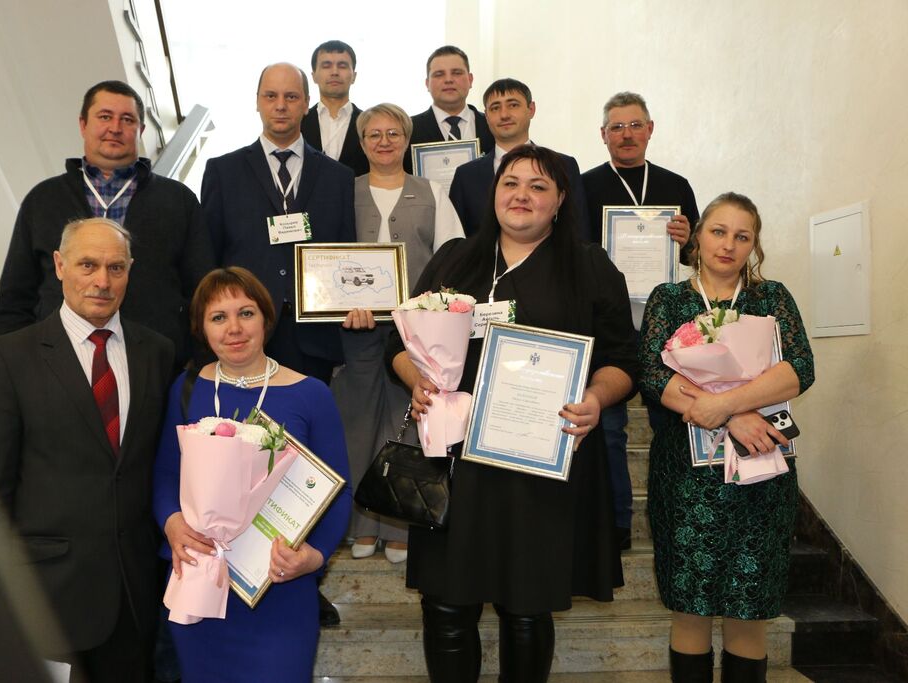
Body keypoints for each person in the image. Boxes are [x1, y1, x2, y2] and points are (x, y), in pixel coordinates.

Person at [388, 145, 637, 682]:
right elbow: (400, 344)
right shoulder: (455, 259)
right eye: (511, 183)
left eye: (538, 186)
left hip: (539, 463)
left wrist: (595, 399)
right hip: (457, 458)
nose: (522, 195)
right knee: (446, 602)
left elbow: (623, 360)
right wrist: (417, 380)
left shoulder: (589, 266)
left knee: (526, 605)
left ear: (561, 199)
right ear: (493, 194)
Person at [0, 218, 175, 682]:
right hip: (45, 601)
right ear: (59, 266)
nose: (103, 281)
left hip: (135, 600)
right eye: (88, 265)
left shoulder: (159, 354)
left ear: (130, 272)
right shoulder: (8, 358)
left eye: (116, 268)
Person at [638, 193, 814, 682]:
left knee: (748, 610)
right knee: (690, 608)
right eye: (718, 231)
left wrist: (727, 405)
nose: (728, 244)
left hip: (761, 475)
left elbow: (799, 369)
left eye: (742, 236)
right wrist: (728, 416)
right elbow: (653, 375)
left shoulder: (772, 297)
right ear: (697, 236)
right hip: (686, 477)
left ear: (753, 246)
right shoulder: (669, 299)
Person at [153, 267, 352, 682]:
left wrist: (313, 557)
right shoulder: (185, 388)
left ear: (266, 318)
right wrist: (172, 523)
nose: (234, 328)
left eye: (246, 313)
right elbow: (166, 475)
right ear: (202, 329)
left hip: (280, 588)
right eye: (218, 317)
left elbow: (339, 492)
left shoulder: (311, 394)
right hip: (202, 585)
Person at [0, 79, 213, 371]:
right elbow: (14, 299)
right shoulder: (43, 199)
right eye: (105, 117)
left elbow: (204, 293)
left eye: (127, 120)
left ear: (141, 131)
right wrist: (16, 369)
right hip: (57, 367)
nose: (115, 128)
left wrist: (198, 368)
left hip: (157, 369)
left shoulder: (178, 200)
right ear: (83, 125)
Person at [332, 103, 464, 564]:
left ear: (407, 140)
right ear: (361, 142)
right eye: (374, 134)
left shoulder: (432, 193)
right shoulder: (342, 192)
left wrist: (434, 309)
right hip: (355, 329)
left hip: (418, 334)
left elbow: (451, 256)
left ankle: (401, 525)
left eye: (393, 133)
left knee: (408, 420)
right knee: (356, 422)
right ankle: (361, 525)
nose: (384, 141)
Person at [582, 91, 699, 551]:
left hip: (664, 322)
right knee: (610, 428)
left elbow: (695, 257)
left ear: (650, 129)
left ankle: (677, 521)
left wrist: (688, 240)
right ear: (603, 135)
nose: (626, 134)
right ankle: (617, 525)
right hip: (607, 323)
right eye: (617, 127)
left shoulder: (676, 185)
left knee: (672, 426)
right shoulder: (585, 186)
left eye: (634, 125)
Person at [202, 62, 355, 386]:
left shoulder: (338, 177)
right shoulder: (223, 172)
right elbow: (210, 258)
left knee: (306, 419)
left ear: (306, 103)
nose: (281, 105)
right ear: (257, 102)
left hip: (314, 338)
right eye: (271, 96)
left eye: (291, 96)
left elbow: (346, 251)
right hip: (244, 334)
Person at [449, 78, 590, 238]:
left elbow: (579, 232)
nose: (504, 115)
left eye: (513, 105)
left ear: (531, 109)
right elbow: (457, 240)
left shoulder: (564, 166)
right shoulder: (466, 175)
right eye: (495, 108)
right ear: (486, 116)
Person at [403, 45, 495, 172]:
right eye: (439, 74)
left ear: (470, 79)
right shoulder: (407, 129)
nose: (448, 80)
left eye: (456, 73)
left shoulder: (493, 125)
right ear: (427, 84)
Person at [301, 40, 369, 176]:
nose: (334, 72)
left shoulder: (369, 124)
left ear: (354, 76)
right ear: (314, 76)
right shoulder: (298, 123)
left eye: (342, 66)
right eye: (326, 66)